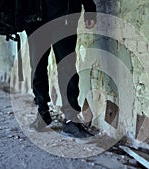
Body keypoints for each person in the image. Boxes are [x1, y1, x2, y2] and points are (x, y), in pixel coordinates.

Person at [25, 0, 96, 138]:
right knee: (37, 67)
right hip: (34, 16)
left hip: (64, 15)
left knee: (67, 67)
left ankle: (70, 119)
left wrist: (90, 9)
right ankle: (42, 112)